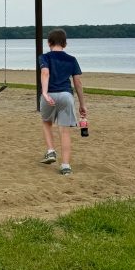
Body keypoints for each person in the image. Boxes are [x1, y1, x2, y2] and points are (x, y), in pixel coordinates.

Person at [39, 28, 87, 176]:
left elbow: (45, 73)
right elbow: (78, 83)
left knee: (47, 122)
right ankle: (65, 166)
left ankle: (51, 150)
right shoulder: (71, 59)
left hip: (51, 94)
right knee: (64, 130)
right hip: (66, 95)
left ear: (49, 43)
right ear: (65, 44)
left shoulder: (44, 57)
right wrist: (82, 104)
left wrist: (45, 93)